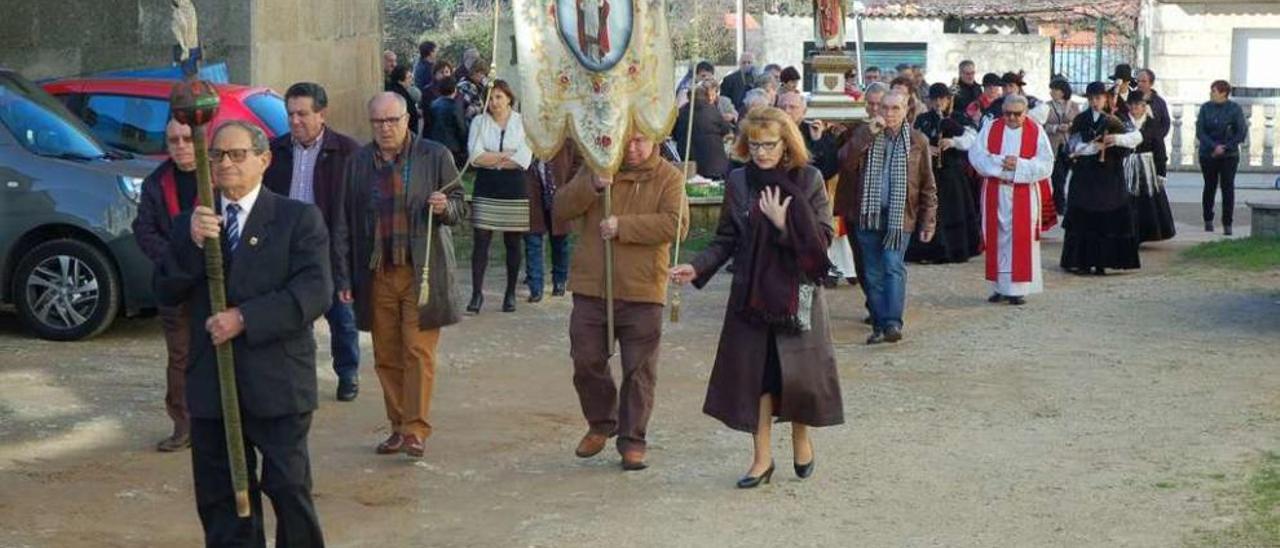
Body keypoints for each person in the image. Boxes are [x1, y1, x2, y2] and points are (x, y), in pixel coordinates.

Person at [156, 120, 331, 546]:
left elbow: (314, 292)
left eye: (237, 155)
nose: (226, 164)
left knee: (289, 488)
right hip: (213, 382)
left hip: (276, 382)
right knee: (222, 496)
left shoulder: (297, 219)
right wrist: (192, 246)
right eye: (217, 156)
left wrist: (245, 317)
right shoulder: (193, 224)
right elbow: (163, 289)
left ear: (264, 160)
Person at [671, 106, 842, 488]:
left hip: (797, 293)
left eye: (770, 144)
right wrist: (697, 268)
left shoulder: (809, 178)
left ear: (786, 144)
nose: (762, 152)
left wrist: (785, 226)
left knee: (797, 377)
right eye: (755, 144)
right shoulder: (738, 182)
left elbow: (824, 241)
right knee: (757, 378)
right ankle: (761, 460)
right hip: (751, 294)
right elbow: (726, 239)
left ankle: (801, 436)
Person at [332, 92, 467, 458]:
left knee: (418, 351)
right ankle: (397, 425)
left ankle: (415, 429)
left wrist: (444, 207)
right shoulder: (358, 162)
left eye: (393, 120)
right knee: (386, 355)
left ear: (409, 119)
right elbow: (343, 222)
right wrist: (343, 278)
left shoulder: (434, 155)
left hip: (422, 271)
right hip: (377, 273)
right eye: (378, 122)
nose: (386, 128)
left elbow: (459, 206)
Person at [554, 132, 687, 472]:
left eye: (640, 141)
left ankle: (633, 439)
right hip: (591, 286)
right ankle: (602, 421)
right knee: (586, 360)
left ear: (655, 140)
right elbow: (561, 208)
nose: (631, 148)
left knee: (639, 370)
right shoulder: (596, 169)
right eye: (625, 140)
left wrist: (623, 226)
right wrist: (593, 187)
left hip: (642, 289)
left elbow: (676, 225)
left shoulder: (669, 177)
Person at [263, 82, 363, 401]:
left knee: (342, 318)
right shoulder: (273, 152)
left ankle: (347, 374)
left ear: (322, 114)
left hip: (330, 249)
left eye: (302, 114)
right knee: (293, 317)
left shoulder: (347, 152)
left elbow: (358, 209)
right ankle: (297, 376)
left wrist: (349, 260)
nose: (294, 121)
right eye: (290, 114)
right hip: (286, 250)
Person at [834, 91, 938, 344]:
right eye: (885, 108)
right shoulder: (863, 133)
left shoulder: (917, 141)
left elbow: (927, 185)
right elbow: (845, 162)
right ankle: (880, 325)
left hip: (899, 216)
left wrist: (928, 220)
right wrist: (868, 133)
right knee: (871, 272)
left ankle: (892, 322)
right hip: (867, 214)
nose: (889, 114)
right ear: (876, 109)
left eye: (895, 108)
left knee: (892, 265)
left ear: (906, 111)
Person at [133, 118, 199, 452]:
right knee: (180, 356)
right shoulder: (156, 183)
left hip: (218, 281)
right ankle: (183, 425)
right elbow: (143, 230)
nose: (181, 146)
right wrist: (174, 257)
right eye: (174, 140)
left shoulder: (219, 173)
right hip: (173, 284)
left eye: (187, 138)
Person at [968, 95, 1056, 304]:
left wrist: (1018, 165)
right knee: (996, 238)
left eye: (1017, 114)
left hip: (1023, 192)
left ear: (1025, 113)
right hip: (995, 191)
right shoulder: (991, 128)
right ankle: (999, 287)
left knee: (1020, 239)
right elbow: (976, 156)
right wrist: (1000, 163)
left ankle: (1017, 290)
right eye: (1007, 113)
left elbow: (1046, 164)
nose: (1012, 118)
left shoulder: (1036, 131)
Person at [1060, 82, 1143, 275]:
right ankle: (1082, 262)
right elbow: (1072, 147)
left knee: (1108, 218)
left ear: (1106, 98)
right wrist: (1092, 148)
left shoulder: (1117, 118)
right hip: (1085, 177)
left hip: (1109, 177)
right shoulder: (1081, 119)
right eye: (1091, 99)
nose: (1094, 102)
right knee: (1084, 218)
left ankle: (1103, 262)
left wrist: (1115, 139)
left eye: (1098, 98)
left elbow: (1136, 137)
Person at [466, 80, 533, 314]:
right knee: (481, 240)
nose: (494, 102)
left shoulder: (522, 123)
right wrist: (505, 156)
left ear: (509, 99)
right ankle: (476, 294)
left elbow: (523, 159)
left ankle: (510, 292)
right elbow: (474, 156)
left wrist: (492, 157)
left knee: (513, 242)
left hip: (514, 188)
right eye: (491, 98)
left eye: (499, 97)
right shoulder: (479, 122)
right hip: (486, 186)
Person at [907, 83, 981, 264]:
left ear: (948, 100)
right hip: (930, 173)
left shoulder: (958, 117)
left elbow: (973, 138)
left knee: (952, 211)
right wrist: (927, 148)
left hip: (952, 172)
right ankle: (927, 250)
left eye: (942, 99)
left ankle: (954, 250)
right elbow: (913, 140)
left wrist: (953, 141)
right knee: (930, 211)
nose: (939, 103)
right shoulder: (923, 119)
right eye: (935, 100)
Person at [524, 141, 582, 302]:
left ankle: (560, 280)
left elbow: (579, 160)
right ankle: (536, 287)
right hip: (533, 192)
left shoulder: (565, 137)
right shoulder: (527, 134)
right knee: (533, 240)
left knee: (560, 241)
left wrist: (569, 183)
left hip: (559, 192)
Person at [1123, 91, 1176, 243]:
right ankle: (1126, 232)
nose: (1134, 109)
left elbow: (1159, 149)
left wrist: (1161, 173)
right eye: (1131, 106)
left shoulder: (1152, 124)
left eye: (1138, 106)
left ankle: (1143, 233)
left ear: (1144, 106)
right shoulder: (1122, 123)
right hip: (1126, 165)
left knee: (1147, 202)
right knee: (1126, 199)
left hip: (1146, 167)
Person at [1196, 79, 1247, 236]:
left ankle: (1227, 222)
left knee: (1227, 188)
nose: (1211, 94)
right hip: (1208, 154)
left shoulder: (1234, 109)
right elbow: (1200, 131)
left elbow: (1241, 132)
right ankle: (1208, 219)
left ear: (1223, 93)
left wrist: (1226, 147)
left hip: (1229, 155)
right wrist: (1213, 146)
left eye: (1214, 91)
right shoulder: (1205, 108)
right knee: (1209, 187)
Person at [673, 80, 733, 180]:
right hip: (714, 163)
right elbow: (726, 129)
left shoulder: (681, 113)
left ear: (688, 97)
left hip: (689, 163)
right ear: (707, 96)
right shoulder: (712, 110)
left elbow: (674, 133)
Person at [1044, 79, 1079, 215]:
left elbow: (1078, 123)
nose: (1052, 92)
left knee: (1071, 177)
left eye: (1054, 89)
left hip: (1070, 146)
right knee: (1058, 178)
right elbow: (1043, 126)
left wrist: (1070, 126)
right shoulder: (1047, 106)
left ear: (1062, 91)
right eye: (1051, 89)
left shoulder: (1074, 106)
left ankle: (1072, 203)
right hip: (1055, 146)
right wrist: (1056, 128)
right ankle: (1059, 206)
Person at [427, 77, 468, 169]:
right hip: (453, 146)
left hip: (436, 143)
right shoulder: (455, 107)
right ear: (455, 90)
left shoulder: (433, 104)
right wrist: (464, 145)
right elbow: (461, 128)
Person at [419, 61, 454, 135]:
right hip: (433, 131)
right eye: (441, 72)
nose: (445, 75)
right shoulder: (428, 91)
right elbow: (427, 114)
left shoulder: (454, 89)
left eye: (447, 72)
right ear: (435, 74)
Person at [385, 65, 421, 134]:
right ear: (400, 81)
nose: (411, 80)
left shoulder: (399, 91)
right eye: (409, 77)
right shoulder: (399, 95)